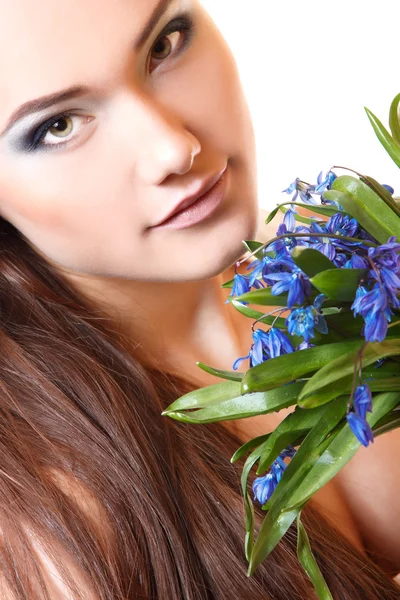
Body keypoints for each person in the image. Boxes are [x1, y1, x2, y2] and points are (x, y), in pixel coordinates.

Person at [0, 0, 398, 597]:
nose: (173, 148)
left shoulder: (359, 256)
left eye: (164, 44)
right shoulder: (49, 530)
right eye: (56, 126)